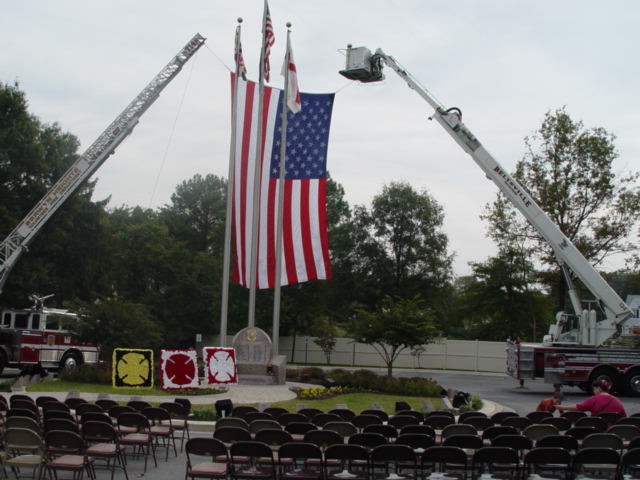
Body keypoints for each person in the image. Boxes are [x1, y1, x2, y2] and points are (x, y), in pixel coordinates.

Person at [555, 379, 627, 416]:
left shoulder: (594, 399)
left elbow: (580, 407)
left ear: (599, 388)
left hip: (598, 431)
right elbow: (623, 417)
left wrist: (563, 407)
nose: (593, 391)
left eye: (594, 389)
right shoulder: (617, 401)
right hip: (613, 434)